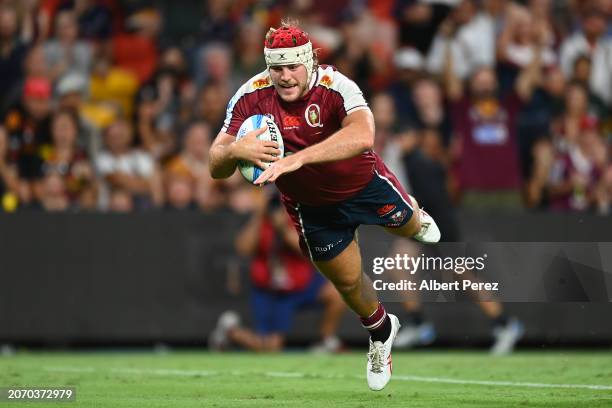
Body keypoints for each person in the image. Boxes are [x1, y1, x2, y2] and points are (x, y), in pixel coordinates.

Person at [208, 21, 441, 391]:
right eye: (276, 68)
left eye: (292, 67)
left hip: (362, 185)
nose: (284, 77)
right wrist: (235, 150)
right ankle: (381, 332)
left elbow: (364, 134)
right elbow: (215, 165)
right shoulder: (251, 94)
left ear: (310, 61)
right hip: (310, 206)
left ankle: (412, 211)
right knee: (349, 283)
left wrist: (300, 159)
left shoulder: (336, 85)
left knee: (411, 228)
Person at [209, 188, 345, 353]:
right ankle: (231, 332)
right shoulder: (260, 222)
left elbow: (308, 250)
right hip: (270, 290)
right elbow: (243, 249)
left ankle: (326, 340)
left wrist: (283, 228)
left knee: (337, 293)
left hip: (300, 284)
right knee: (271, 348)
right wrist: (259, 215)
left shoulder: (297, 218)